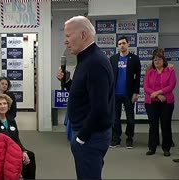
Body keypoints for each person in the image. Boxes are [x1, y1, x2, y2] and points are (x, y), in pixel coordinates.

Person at [56, 16, 114, 179]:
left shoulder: (95, 62)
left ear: (83, 35)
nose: (65, 42)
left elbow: (100, 108)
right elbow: (84, 93)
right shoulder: (87, 58)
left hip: (90, 136)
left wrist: (81, 137)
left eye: (68, 36)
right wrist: (67, 81)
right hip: (87, 133)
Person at [0, 93, 36, 179]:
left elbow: (16, 138)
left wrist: (23, 151)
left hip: (12, 148)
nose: (3, 106)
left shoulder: (10, 119)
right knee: (16, 157)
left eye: (5, 103)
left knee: (30, 155)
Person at [109, 36, 141, 148]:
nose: (121, 45)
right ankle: (116, 139)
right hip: (115, 94)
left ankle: (129, 138)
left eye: (123, 43)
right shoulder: (113, 59)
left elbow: (137, 78)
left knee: (130, 119)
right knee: (115, 118)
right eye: (119, 44)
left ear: (128, 44)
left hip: (129, 94)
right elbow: (109, 77)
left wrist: (136, 93)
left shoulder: (135, 59)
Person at [144, 48, 177, 157]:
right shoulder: (150, 72)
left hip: (166, 102)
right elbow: (146, 87)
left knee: (165, 125)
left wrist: (159, 92)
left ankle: (166, 148)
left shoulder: (170, 71)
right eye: (155, 60)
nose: (157, 61)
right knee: (153, 126)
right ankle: (152, 148)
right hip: (151, 102)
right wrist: (157, 95)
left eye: (159, 59)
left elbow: (171, 85)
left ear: (163, 60)